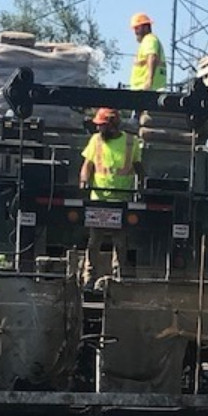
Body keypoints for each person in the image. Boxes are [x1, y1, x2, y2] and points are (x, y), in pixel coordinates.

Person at [79, 107, 145, 286]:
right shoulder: (96, 141)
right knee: (94, 241)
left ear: (112, 125)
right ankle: (89, 277)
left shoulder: (131, 142)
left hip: (121, 201)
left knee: (120, 242)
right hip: (99, 199)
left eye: (101, 125)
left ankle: (118, 276)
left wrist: (141, 185)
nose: (98, 129)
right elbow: (88, 164)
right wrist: (84, 179)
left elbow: (138, 166)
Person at [129, 12, 167, 91]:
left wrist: (149, 80)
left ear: (146, 27)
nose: (135, 32)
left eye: (137, 28)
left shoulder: (149, 39)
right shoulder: (150, 41)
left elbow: (152, 57)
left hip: (145, 88)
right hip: (149, 88)